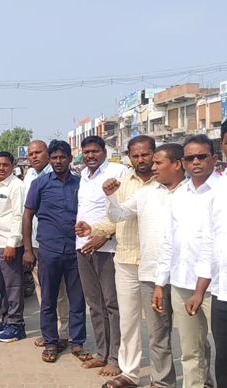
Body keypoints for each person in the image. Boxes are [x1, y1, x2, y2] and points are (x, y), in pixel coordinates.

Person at [77, 141, 181, 388]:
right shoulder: (126, 183)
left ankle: (162, 379)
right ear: (129, 157)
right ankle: (130, 372)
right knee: (128, 320)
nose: (142, 160)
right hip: (126, 259)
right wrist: (96, 227)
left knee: (159, 326)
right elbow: (116, 217)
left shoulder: (166, 185)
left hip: (157, 265)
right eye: (136, 156)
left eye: (148, 155)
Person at [152, 135, 218, 388]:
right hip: (182, 283)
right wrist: (160, 283)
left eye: (202, 156)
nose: (196, 162)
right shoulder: (179, 196)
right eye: (190, 158)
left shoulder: (222, 192)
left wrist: (202, 288)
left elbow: (214, 245)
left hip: (216, 286)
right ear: (183, 162)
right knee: (191, 350)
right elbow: (169, 243)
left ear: (213, 158)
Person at [23, 140, 89, 364]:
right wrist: (27, 250)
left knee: (77, 300)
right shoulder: (39, 184)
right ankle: (51, 342)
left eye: (62, 157)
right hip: (48, 250)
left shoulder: (80, 184)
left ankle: (77, 342)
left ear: (70, 158)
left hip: (75, 250)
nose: (58, 161)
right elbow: (27, 216)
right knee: (48, 299)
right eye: (54, 158)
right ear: (49, 160)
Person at [75, 136, 127, 377]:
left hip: (108, 247)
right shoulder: (84, 176)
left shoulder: (118, 171)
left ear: (104, 151)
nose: (90, 156)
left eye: (95, 151)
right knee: (94, 304)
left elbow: (126, 210)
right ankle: (101, 353)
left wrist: (105, 236)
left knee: (111, 304)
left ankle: (116, 358)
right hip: (83, 246)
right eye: (86, 152)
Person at [23, 140, 70, 349]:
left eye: (38, 152)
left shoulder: (58, 175)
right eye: (31, 153)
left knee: (59, 292)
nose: (34, 157)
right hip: (34, 243)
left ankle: (63, 333)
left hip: (55, 244)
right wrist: (26, 247)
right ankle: (49, 331)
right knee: (42, 290)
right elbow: (26, 213)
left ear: (48, 154)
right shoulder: (30, 176)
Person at [191, 136, 227, 388]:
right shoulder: (220, 189)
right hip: (222, 293)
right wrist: (200, 290)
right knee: (223, 361)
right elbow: (210, 242)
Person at [0, 151, 26, 343]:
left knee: (13, 286)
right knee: (2, 286)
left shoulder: (16, 186)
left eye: (5, 165)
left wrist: (12, 244)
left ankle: (16, 325)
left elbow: (19, 216)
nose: (1, 168)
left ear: (12, 166)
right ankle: (6, 319)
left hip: (8, 245)